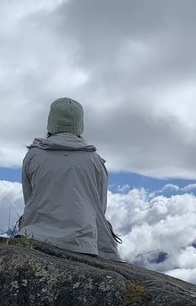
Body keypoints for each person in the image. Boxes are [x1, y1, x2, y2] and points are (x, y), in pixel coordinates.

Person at [17, 98, 122, 260]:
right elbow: (99, 206)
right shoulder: (94, 160)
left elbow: (29, 199)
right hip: (84, 243)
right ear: (80, 125)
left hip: (35, 238)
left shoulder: (33, 155)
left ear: (50, 122)